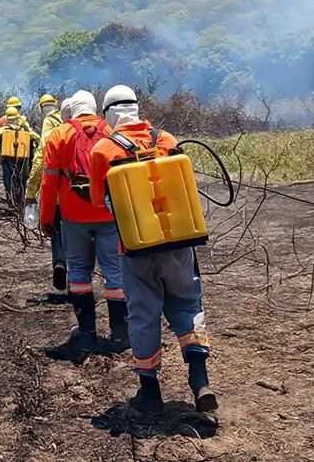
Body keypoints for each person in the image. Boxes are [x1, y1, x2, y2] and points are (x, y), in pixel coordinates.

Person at [88, 85, 217, 415]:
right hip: (179, 244)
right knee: (187, 305)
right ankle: (200, 381)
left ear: (110, 114)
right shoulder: (168, 140)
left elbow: (97, 202)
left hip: (135, 249)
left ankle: (150, 392)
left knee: (144, 316)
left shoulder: (103, 150)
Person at [38, 90, 128, 352]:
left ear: (73, 109)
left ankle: (87, 332)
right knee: (114, 271)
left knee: (78, 272)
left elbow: (49, 181)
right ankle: (120, 334)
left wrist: (46, 218)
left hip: (73, 216)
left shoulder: (60, 134)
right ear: (94, 108)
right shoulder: (112, 130)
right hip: (109, 214)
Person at [25, 94, 67, 290]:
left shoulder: (50, 124)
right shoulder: (73, 121)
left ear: (42, 108)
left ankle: (60, 262)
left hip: (60, 190)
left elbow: (42, 155)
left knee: (57, 229)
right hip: (85, 192)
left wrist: (30, 190)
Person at [0, 106, 40, 208]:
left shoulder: (2, 130)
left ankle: (11, 199)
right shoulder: (25, 129)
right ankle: (22, 199)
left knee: (8, 179)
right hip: (23, 159)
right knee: (23, 179)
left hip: (7, 159)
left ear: (7, 118)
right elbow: (37, 137)